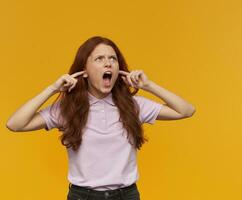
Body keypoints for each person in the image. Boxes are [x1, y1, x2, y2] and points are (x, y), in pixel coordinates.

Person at [6, 36, 196, 200]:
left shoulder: (134, 105)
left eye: (113, 59)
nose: (108, 63)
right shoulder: (68, 108)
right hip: (83, 196)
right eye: (99, 58)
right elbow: (15, 124)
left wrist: (149, 86)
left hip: (126, 195)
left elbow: (186, 110)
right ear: (85, 71)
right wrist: (53, 89)